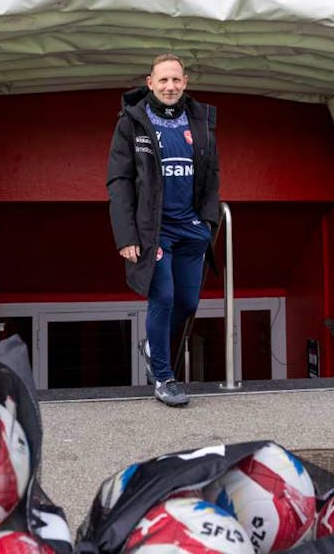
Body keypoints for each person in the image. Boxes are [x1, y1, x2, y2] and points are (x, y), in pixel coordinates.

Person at [106, 54, 220, 407]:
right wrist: (126, 235)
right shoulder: (132, 121)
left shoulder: (199, 120)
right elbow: (120, 180)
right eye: (163, 81)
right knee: (164, 298)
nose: (169, 87)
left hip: (192, 230)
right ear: (150, 82)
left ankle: (154, 347)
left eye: (176, 80)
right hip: (154, 231)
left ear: (184, 82)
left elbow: (212, 174)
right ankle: (164, 376)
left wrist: (209, 221)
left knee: (187, 302)